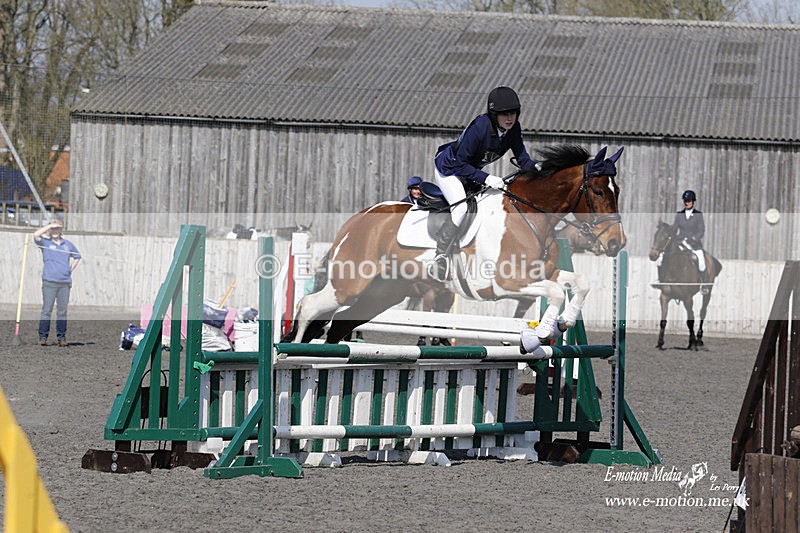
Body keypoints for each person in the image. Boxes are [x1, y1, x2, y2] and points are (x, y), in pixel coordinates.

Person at [430, 86, 539, 281]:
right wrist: (486, 178)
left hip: (469, 171)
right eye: (504, 114)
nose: (510, 118)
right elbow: (460, 164)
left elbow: (522, 157)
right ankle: (439, 256)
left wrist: (538, 169)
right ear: (494, 114)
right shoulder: (479, 128)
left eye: (513, 113)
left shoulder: (513, 129)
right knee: (461, 208)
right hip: (449, 169)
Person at [33, 219, 81, 346]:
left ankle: (61, 337)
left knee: (62, 311)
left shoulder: (67, 244)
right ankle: (43, 337)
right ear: (49, 230)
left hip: (64, 283)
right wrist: (50, 225)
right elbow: (36, 235)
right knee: (47, 310)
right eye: (53, 228)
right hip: (49, 282)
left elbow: (77, 256)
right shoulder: (45, 242)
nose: (55, 231)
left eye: (57, 228)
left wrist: (70, 269)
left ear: (61, 230)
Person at [673, 189, 709, 294]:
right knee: (668, 256)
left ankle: (703, 284)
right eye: (685, 200)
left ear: (693, 201)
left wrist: (694, 238)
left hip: (694, 245)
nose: (686, 202)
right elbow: (675, 229)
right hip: (681, 243)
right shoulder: (679, 215)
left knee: (702, 263)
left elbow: (701, 230)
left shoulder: (698, 215)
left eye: (688, 201)